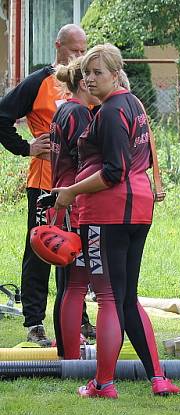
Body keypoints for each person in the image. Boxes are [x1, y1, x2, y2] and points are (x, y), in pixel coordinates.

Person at [53, 44, 180, 398]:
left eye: (97, 73)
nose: (90, 79)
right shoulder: (134, 104)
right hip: (139, 209)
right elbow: (143, 154)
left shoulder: (109, 112)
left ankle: (103, 383)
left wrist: (70, 192)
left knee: (108, 297)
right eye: (87, 73)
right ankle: (158, 377)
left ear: (115, 74)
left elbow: (113, 171)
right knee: (127, 298)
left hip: (108, 212)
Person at [0, 24, 91, 346]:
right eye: (74, 50)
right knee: (40, 249)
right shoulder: (39, 82)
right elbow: (2, 115)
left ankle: (79, 320)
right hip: (44, 183)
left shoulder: (87, 82)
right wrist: (25, 147)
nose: (79, 56)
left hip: (80, 184)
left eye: (83, 50)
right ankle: (34, 324)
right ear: (58, 46)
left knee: (75, 249)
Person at [50, 57, 101, 359]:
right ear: (83, 83)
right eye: (92, 77)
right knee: (72, 284)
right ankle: (68, 347)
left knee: (66, 282)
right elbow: (84, 163)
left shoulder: (63, 111)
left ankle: (66, 342)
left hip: (60, 200)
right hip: (73, 205)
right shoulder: (80, 114)